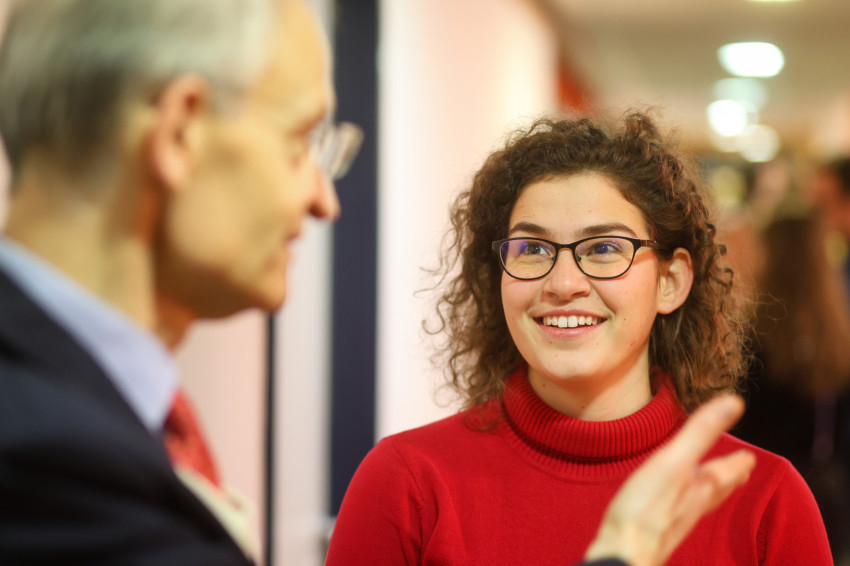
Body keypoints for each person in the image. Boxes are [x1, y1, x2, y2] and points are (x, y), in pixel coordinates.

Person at [0, 1, 756, 564]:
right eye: (300, 141)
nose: (322, 199)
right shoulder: (47, 452)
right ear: (179, 132)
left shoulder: (109, 421)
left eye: (603, 250)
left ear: (673, 279)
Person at [324, 113, 832, 565]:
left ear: (670, 282)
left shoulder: (765, 500)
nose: (563, 283)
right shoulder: (407, 482)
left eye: (605, 248)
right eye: (531, 248)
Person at [734, 213, 850, 562]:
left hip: (765, 492)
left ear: (773, 258)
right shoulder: (837, 334)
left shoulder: (753, 342)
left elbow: (743, 428)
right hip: (827, 489)